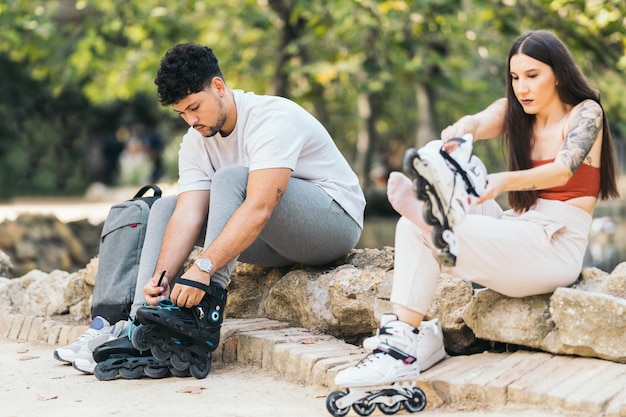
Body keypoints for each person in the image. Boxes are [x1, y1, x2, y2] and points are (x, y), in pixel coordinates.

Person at [331, 29, 620, 404]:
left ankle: (442, 207)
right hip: (515, 228)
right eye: (515, 78)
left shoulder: (586, 112)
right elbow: (482, 119)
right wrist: (460, 132)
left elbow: (564, 169)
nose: (522, 87)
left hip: (554, 245)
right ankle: (405, 341)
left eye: (533, 75)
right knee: (413, 221)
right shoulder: (517, 111)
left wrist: (501, 182)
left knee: (434, 218)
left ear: (559, 73)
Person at [56, 42, 366, 378]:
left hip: (333, 223)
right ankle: (141, 325)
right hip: (276, 240)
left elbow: (260, 206)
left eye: (194, 107)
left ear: (218, 86)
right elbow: (188, 215)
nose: (190, 121)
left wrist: (203, 269)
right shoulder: (194, 142)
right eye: (181, 114)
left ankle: (207, 306)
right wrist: (160, 279)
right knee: (165, 206)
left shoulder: (272, 117)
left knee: (231, 179)